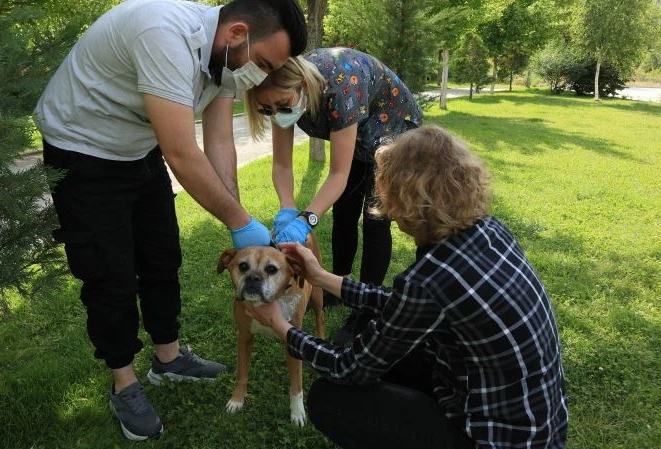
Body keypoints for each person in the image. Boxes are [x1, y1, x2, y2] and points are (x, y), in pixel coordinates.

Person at [34, 0, 306, 441]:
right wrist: (241, 221)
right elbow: (181, 151)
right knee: (109, 273)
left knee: (162, 255)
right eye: (262, 63)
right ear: (237, 33)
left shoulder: (225, 62)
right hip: (82, 149)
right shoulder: (163, 34)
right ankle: (124, 382)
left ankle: (169, 358)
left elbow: (219, 143)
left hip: (137, 148)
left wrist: (237, 222)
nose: (260, 77)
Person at [244, 126, 569, 449]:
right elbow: (406, 305)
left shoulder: (429, 278)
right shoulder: (490, 230)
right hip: (538, 426)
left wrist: (280, 325)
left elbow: (348, 368)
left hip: (490, 438)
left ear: (404, 198)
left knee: (329, 397)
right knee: (364, 340)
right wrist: (321, 277)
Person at [243, 48, 423, 343]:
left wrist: (305, 221)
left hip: (393, 132)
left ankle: (366, 312)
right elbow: (281, 163)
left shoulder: (341, 89)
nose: (276, 113)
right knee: (343, 213)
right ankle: (338, 286)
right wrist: (288, 208)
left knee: (375, 222)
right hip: (359, 135)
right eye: (266, 109)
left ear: (302, 86)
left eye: (281, 105)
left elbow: (337, 175)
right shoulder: (278, 93)